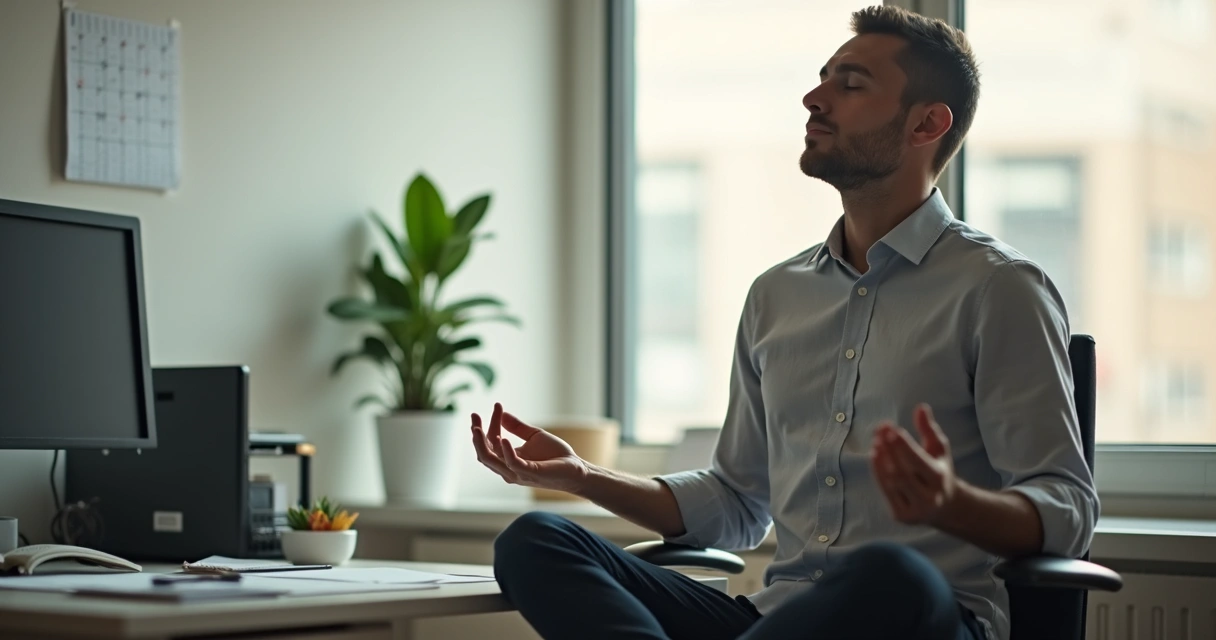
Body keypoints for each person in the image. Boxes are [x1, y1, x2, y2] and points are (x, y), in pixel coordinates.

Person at [469, 5, 1097, 640]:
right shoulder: (776, 295)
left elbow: (1069, 507)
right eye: (823, 78)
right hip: (776, 620)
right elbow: (739, 503)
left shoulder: (999, 287)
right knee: (535, 539)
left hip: (925, 618)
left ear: (927, 123)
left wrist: (952, 503)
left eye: (850, 84)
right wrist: (585, 477)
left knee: (890, 572)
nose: (813, 98)